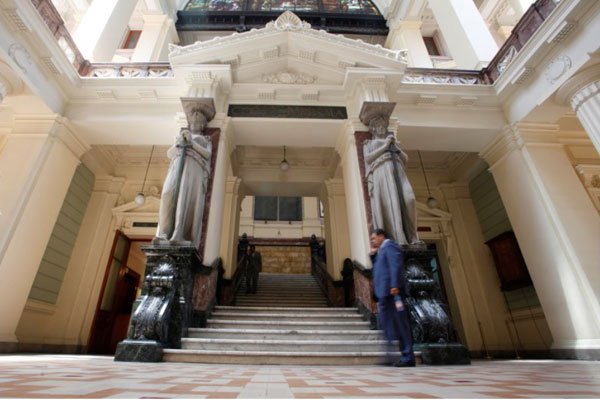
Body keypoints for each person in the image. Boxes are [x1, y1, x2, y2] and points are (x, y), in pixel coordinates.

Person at [153, 104, 212, 249]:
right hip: (177, 164)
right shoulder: (180, 135)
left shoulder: (205, 139)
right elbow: (170, 153)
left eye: (199, 122)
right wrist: (181, 142)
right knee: (168, 193)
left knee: (184, 198)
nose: (195, 123)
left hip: (193, 166)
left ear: (203, 125)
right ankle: (163, 232)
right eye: (193, 121)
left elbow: (208, 154)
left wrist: (191, 142)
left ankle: (179, 232)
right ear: (189, 122)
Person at [363, 115, 418, 245]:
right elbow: (368, 158)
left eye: (383, 126)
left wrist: (394, 145)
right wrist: (386, 145)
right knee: (390, 203)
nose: (382, 128)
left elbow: (405, 159)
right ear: (374, 129)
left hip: (397, 170)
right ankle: (399, 237)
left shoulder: (393, 142)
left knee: (410, 199)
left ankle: (413, 235)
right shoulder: (369, 143)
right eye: (378, 126)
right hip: (382, 170)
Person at [370, 228, 415, 367]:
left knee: (401, 325)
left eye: (373, 238)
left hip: (392, 294)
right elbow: (379, 269)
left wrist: (394, 285)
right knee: (386, 325)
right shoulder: (380, 251)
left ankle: (408, 357)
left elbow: (395, 265)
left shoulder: (389, 246)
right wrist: (373, 256)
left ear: (382, 236)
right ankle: (390, 355)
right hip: (383, 295)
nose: (372, 241)